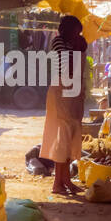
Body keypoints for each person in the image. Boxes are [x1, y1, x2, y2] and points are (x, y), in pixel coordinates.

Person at [41, 15, 88, 196]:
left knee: (70, 138)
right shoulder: (58, 42)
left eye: (79, 33)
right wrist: (78, 49)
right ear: (67, 30)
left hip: (73, 94)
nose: (78, 35)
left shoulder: (73, 44)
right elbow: (67, 67)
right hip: (62, 93)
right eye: (76, 32)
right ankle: (58, 183)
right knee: (61, 138)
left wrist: (80, 48)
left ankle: (65, 180)